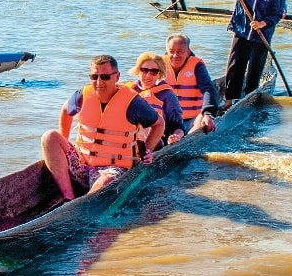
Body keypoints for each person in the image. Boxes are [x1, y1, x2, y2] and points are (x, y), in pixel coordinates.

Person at [41, 55, 162, 200]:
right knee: (49, 137)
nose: (99, 82)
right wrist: (64, 142)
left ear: (117, 77)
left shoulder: (134, 103)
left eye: (105, 77)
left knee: (106, 181)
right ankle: (69, 198)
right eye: (94, 77)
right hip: (82, 163)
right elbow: (66, 110)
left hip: (112, 169)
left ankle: (84, 205)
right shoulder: (82, 95)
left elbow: (159, 124)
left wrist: (146, 150)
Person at [214, 0, 286, 102]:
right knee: (235, 67)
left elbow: (277, 14)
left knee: (254, 70)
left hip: (261, 36)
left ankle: (249, 98)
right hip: (242, 31)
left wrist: (262, 23)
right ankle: (229, 100)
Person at [163, 34, 220, 135]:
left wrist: (208, 114)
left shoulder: (197, 66)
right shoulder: (159, 65)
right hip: (168, 120)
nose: (175, 56)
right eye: (171, 52)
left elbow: (208, 89)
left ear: (188, 52)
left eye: (180, 51)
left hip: (193, 119)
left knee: (201, 123)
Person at [129, 53, 185, 145]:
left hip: (156, 142)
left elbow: (178, 125)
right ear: (138, 70)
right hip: (128, 139)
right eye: (144, 70)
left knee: (144, 126)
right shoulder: (128, 91)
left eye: (153, 71)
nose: (148, 75)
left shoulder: (167, 96)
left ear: (159, 74)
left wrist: (177, 136)